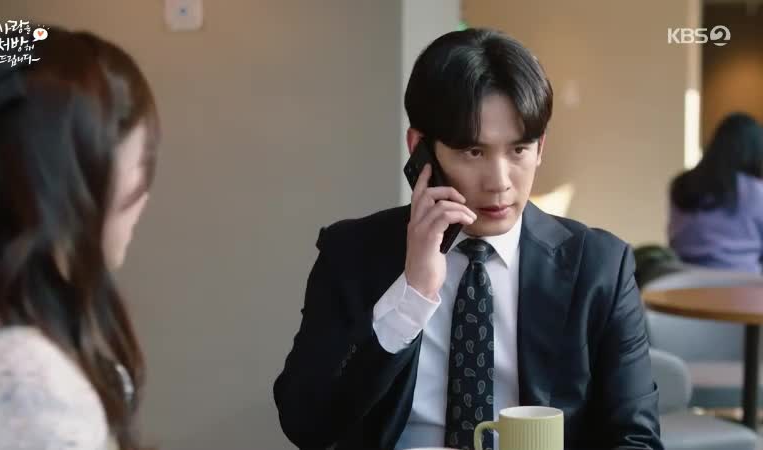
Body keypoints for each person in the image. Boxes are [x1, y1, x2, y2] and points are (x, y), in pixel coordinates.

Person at [274, 28, 661, 450]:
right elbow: (306, 425)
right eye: (473, 152)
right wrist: (412, 294)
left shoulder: (599, 266)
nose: (500, 183)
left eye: (519, 150)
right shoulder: (352, 253)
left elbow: (636, 440)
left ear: (540, 148)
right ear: (420, 149)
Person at [0, 26, 159, 450]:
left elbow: (15, 43)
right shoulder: (27, 389)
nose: (144, 197)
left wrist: (37, 41)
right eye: (143, 163)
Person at [668, 112, 763, 274]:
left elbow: (674, 237)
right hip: (742, 280)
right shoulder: (755, 190)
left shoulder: (683, 183)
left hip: (683, 279)